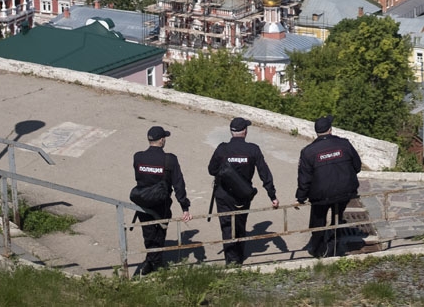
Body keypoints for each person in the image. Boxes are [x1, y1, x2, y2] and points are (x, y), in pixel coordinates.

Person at [207, 116, 279, 266]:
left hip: (224, 195)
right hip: (243, 196)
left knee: (227, 226)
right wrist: (272, 195)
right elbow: (264, 173)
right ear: (245, 131)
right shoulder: (253, 149)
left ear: (231, 132)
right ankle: (239, 256)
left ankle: (231, 260)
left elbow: (211, 169)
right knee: (240, 223)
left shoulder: (222, 148)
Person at [295, 114, 361, 258]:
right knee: (338, 215)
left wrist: (300, 197)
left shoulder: (308, 152)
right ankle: (335, 240)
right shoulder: (344, 144)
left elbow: (304, 179)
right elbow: (357, 166)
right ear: (330, 130)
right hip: (346, 191)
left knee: (318, 219)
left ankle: (318, 249)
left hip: (321, 195)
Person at [132, 125, 191, 275]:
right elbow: (178, 184)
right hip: (161, 203)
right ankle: (154, 264)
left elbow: (139, 178)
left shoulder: (138, 157)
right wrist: (184, 206)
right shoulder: (169, 160)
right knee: (159, 232)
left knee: (148, 232)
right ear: (162, 140)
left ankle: (150, 261)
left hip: (143, 201)